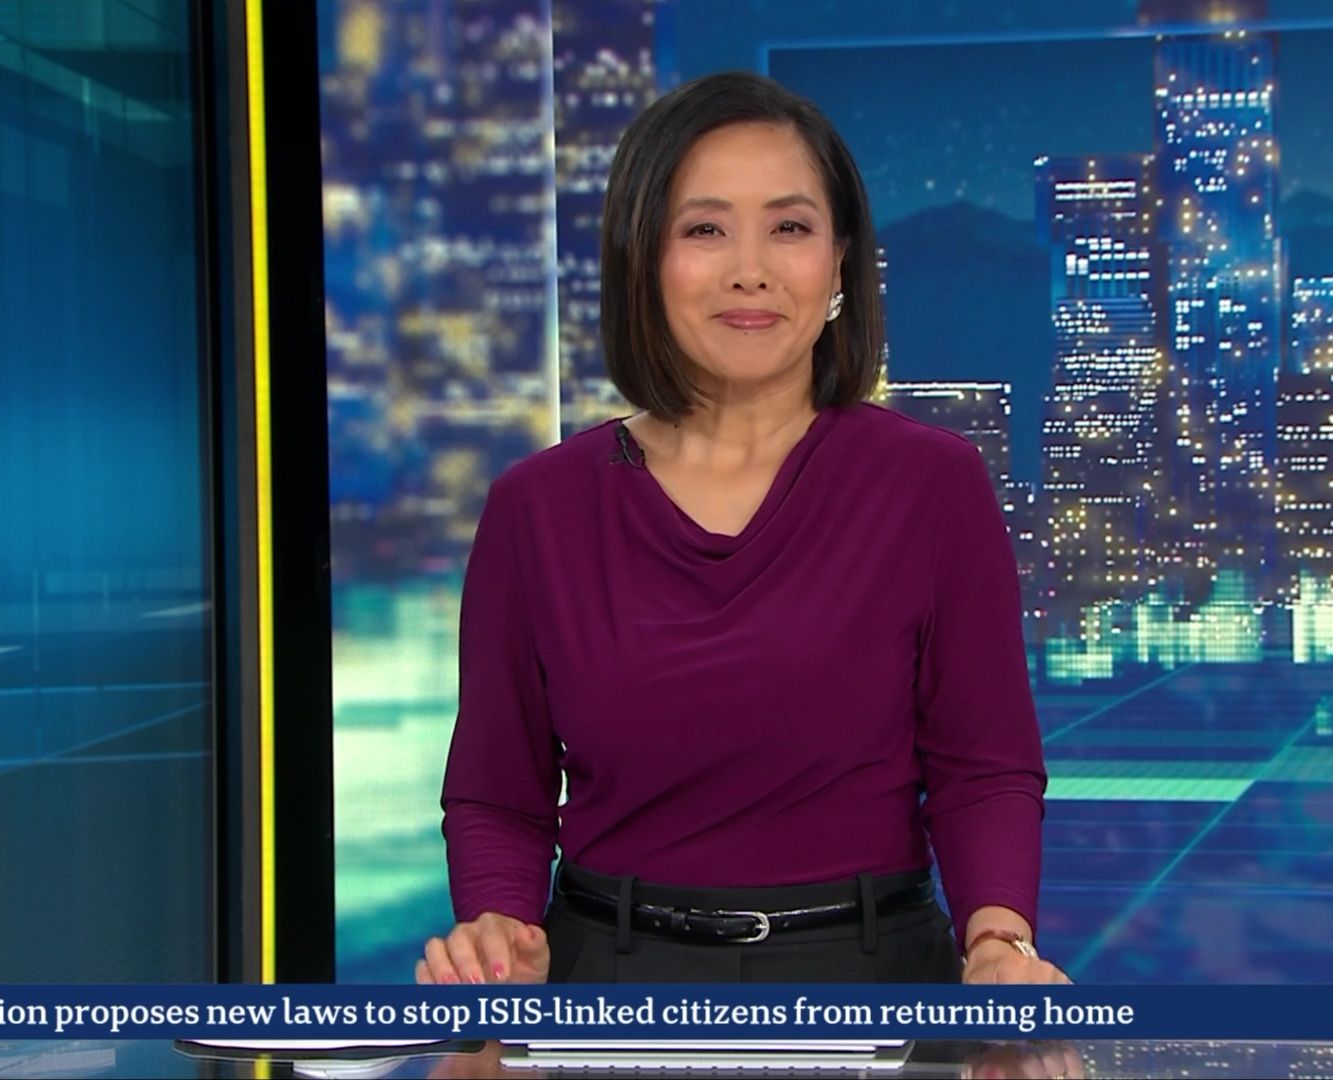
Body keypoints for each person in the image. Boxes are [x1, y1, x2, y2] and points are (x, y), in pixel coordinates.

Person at [416, 71, 1066, 987]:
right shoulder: (538, 507)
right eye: (705, 229)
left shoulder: (933, 485)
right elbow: (498, 794)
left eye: (789, 228)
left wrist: (999, 944)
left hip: (871, 978)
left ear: (839, 263)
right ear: (643, 257)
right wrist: (497, 932)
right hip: (607, 980)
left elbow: (985, 768)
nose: (749, 269)